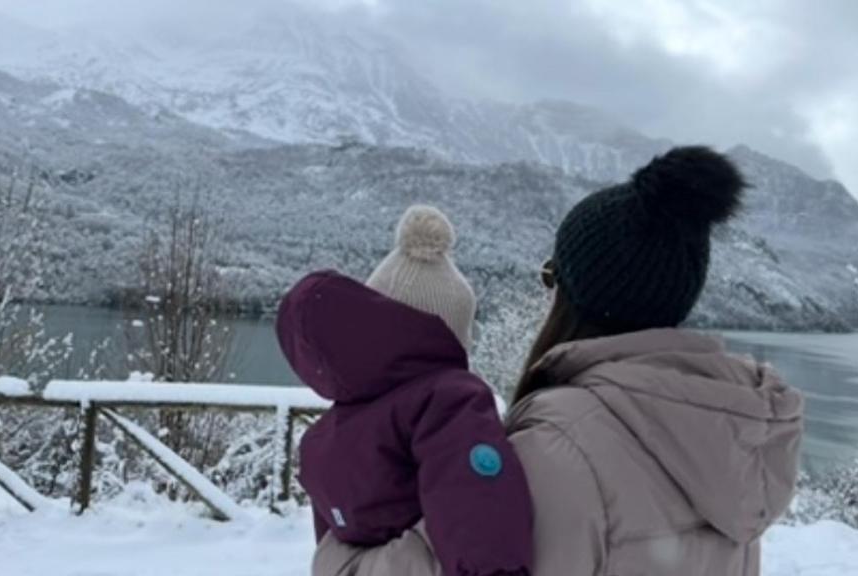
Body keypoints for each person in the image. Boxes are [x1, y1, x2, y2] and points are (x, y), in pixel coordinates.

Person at [312, 146, 805, 576]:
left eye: (551, 277)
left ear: (573, 296)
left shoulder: (556, 453)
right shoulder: (735, 439)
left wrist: (339, 547)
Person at [276, 206, 534, 576]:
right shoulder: (449, 399)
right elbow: (478, 507)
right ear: (452, 335)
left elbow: (334, 541)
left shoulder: (330, 431)